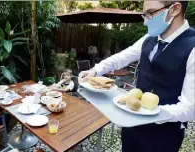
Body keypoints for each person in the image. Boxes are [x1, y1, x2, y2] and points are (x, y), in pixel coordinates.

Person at [79, 1, 194, 152]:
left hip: (164, 135)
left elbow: (190, 108)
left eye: (150, 13)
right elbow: (122, 57)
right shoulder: (149, 38)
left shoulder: (192, 47)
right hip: (132, 126)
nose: (146, 20)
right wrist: (95, 70)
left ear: (175, 9)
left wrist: (151, 113)